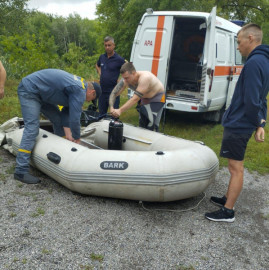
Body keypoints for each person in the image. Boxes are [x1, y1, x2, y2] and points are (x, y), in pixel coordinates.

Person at [205, 23, 269, 223]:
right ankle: (227, 199)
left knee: (235, 167)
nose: (238, 46)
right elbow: (262, 97)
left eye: (239, 41)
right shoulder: (264, 61)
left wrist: (256, 120)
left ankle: (228, 211)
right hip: (245, 122)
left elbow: (252, 100)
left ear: (251, 38)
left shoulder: (253, 63)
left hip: (240, 123)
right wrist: (260, 122)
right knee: (235, 166)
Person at [14, 69, 101, 184]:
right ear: (91, 92)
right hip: (30, 90)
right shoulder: (80, 90)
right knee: (32, 128)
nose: (87, 101)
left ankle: (62, 152)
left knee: (58, 120)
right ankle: (20, 171)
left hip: (42, 94)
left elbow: (66, 113)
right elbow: (75, 119)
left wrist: (68, 136)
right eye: (91, 100)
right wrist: (77, 138)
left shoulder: (78, 87)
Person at [110, 62, 165, 131]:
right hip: (145, 98)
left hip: (157, 98)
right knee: (142, 123)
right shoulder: (125, 80)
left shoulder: (145, 78)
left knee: (151, 123)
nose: (125, 80)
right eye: (123, 78)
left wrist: (120, 110)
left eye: (127, 78)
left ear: (133, 73)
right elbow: (114, 93)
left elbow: (135, 99)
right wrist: (111, 107)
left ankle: (154, 135)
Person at [96, 36, 125, 115]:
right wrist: (100, 73)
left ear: (114, 45)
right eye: (105, 45)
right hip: (102, 92)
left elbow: (128, 71)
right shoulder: (102, 57)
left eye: (109, 45)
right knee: (101, 115)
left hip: (113, 92)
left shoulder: (119, 59)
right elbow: (97, 65)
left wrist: (122, 80)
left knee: (114, 115)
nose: (107, 47)